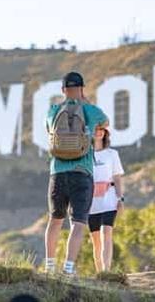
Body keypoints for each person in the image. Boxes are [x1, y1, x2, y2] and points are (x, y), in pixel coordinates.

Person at [44, 71, 109, 276]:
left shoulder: (53, 111)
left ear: (63, 90)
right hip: (82, 172)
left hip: (58, 173)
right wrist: (85, 102)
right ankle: (69, 268)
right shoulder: (90, 110)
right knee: (78, 222)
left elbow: (49, 130)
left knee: (55, 220)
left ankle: (49, 266)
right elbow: (105, 122)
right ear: (81, 88)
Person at [87, 126, 125, 272]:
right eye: (96, 129)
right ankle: (99, 274)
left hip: (109, 200)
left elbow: (117, 177)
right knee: (96, 240)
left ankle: (106, 271)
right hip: (91, 203)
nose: (99, 132)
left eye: (102, 129)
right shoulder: (85, 156)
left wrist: (120, 199)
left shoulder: (112, 154)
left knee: (106, 232)